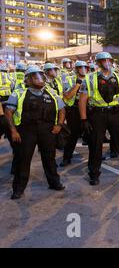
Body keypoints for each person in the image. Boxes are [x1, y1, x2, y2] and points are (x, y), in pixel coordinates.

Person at [78, 52, 119, 186]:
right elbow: (82, 99)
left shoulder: (118, 78)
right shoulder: (90, 78)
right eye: (104, 61)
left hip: (115, 114)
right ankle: (94, 174)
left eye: (109, 60)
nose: (107, 63)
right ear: (98, 63)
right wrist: (84, 119)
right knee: (96, 145)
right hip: (97, 114)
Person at [5, 66, 66, 200]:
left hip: (47, 130)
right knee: (23, 160)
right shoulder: (19, 93)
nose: (39, 79)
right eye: (35, 76)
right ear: (28, 80)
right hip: (27, 131)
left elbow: (62, 109)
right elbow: (8, 112)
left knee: (49, 158)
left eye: (40, 76)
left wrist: (59, 124)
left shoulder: (51, 92)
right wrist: (13, 130)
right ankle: (18, 189)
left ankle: (54, 183)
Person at [60, 60, 89, 167]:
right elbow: (68, 95)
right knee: (72, 135)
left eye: (85, 67)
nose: (84, 69)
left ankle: (95, 157)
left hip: (88, 109)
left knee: (92, 134)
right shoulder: (68, 79)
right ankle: (67, 157)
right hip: (74, 110)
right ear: (76, 69)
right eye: (81, 67)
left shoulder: (90, 78)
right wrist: (78, 84)